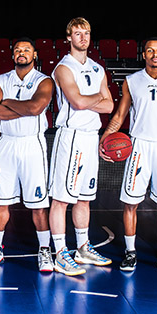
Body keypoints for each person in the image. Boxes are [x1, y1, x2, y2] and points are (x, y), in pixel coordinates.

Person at [100, 38, 157, 273]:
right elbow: (119, 115)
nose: (154, 54)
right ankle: (130, 253)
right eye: (150, 50)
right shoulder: (132, 81)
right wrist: (105, 139)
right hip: (139, 146)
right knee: (130, 203)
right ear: (144, 55)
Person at [0, 38, 55, 272]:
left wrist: (9, 103)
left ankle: (44, 251)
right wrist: (24, 106)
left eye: (26, 50)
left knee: (38, 204)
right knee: (0, 202)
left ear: (35, 54)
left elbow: (36, 108)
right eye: (17, 50)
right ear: (13, 56)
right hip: (7, 145)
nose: (22, 53)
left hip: (33, 145)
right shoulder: (0, 80)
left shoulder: (44, 80)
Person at [48, 17, 114, 276]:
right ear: (69, 37)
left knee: (85, 198)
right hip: (72, 135)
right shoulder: (63, 68)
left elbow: (109, 107)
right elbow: (76, 102)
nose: (83, 37)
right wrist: (97, 97)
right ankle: (60, 252)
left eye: (86, 32)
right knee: (62, 198)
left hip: (90, 135)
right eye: (77, 33)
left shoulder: (98, 69)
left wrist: (93, 100)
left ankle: (83, 248)